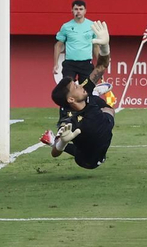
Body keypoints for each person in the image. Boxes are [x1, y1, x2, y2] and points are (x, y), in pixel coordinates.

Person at [44, 38, 116, 171]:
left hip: (104, 124)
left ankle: (94, 94)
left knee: (109, 110)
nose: (80, 86)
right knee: (84, 150)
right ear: (71, 99)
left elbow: (101, 66)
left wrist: (105, 46)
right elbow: (55, 153)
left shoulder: (83, 90)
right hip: (87, 160)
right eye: (75, 87)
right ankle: (51, 139)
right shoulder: (68, 121)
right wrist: (62, 142)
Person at [53, 0, 107, 84]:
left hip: (86, 63)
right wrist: (55, 64)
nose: (78, 11)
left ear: (85, 11)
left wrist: (100, 64)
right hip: (70, 63)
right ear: (72, 10)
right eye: (76, 9)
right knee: (68, 87)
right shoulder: (66, 26)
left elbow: (96, 46)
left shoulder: (92, 25)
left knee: (86, 90)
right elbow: (58, 45)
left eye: (81, 9)